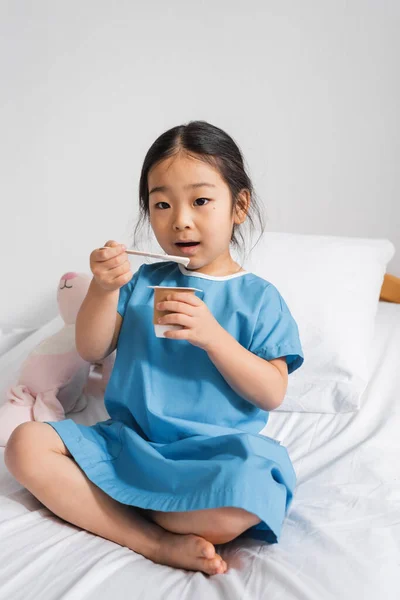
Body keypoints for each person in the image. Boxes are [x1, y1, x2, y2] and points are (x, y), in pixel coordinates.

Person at [5, 121, 304, 576]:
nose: (180, 219)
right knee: (25, 445)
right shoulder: (143, 281)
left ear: (239, 206)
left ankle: (108, 503)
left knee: (243, 501)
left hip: (212, 456)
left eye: (201, 201)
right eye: (161, 204)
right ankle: (153, 540)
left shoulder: (260, 299)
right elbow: (91, 348)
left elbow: (271, 392)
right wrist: (105, 290)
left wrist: (213, 337)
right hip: (128, 444)